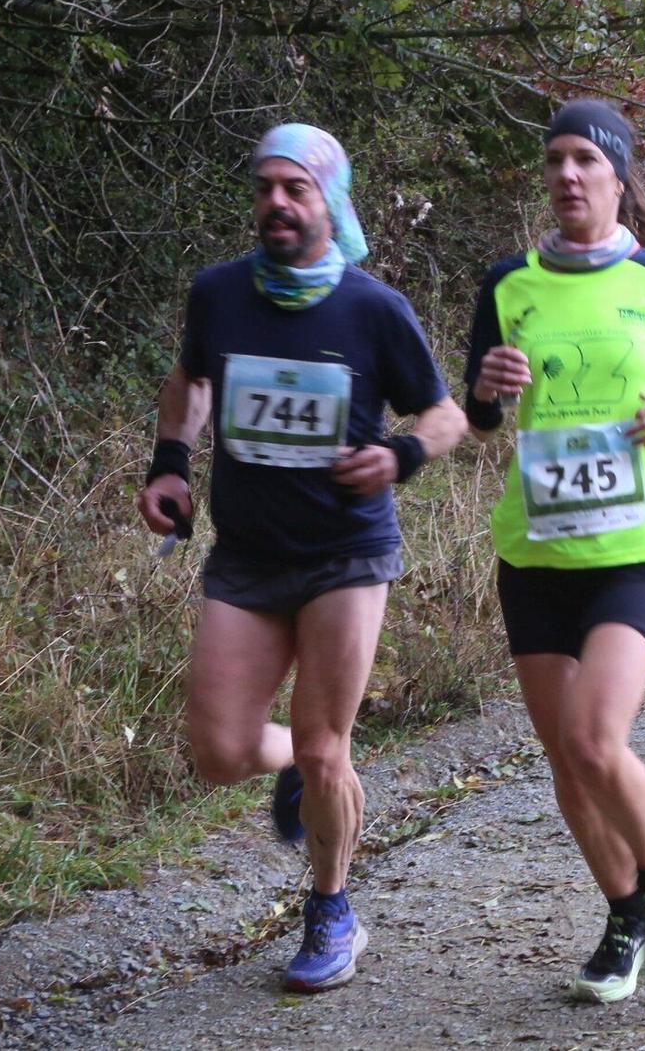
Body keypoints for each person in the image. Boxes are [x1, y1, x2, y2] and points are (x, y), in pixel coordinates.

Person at [135, 124, 467, 993]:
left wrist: (398, 454)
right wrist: (169, 463)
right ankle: (301, 765)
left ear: (330, 201)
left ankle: (332, 910)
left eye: (297, 188)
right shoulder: (219, 293)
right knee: (219, 750)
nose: (277, 203)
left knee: (327, 746)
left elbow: (445, 416)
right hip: (248, 552)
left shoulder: (372, 308)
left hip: (345, 553)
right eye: (265, 187)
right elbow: (191, 379)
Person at [465, 100, 645, 1004]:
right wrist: (485, 390)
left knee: (594, 739)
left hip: (632, 551)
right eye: (554, 159)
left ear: (618, 177)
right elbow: (478, 417)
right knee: (566, 761)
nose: (567, 174)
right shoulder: (508, 284)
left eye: (585, 159)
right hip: (535, 554)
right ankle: (626, 914)